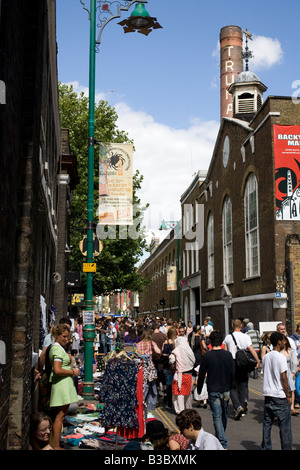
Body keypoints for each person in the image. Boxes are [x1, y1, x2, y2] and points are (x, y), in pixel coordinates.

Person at [197, 330, 235, 449]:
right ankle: (221, 436)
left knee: (217, 416)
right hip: (226, 389)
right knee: (223, 415)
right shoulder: (228, 355)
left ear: (211, 342)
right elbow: (233, 373)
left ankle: (222, 441)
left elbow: (202, 374)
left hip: (213, 389)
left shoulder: (207, 356)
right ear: (222, 342)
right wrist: (231, 386)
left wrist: (199, 389)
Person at [48, 324, 80, 450]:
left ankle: (56, 443)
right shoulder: (56, 349)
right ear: (57, 336)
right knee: (60, 416)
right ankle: (56, 446)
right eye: (64, 336)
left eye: (68, 337)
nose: (66, 339)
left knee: (60, 415)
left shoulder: (58, 348)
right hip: (61, 385)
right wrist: (73, 372)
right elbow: (57, 369)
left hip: (63, 384)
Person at [260, 331, 293, 450]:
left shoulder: (266, 357)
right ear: (279, 342)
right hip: (279, 395)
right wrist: (288, 394)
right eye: (283, 340)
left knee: (267, 423)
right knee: (284, 427)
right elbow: (283, 377)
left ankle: (266, 447)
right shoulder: (281, 357)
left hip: (268, 394)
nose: (285, 342)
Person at [223, 319, 260, 420]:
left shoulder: (228, 337)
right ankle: (243, 405)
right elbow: (251, 349)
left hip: (232, 363)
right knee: (243, 385)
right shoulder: (246, 336)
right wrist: (257, 360)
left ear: (232, 325)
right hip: (243, 364)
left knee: (232, 386)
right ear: (241, 326)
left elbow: (226, 352)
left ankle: (237, 406)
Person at [136, 329, 162, 418]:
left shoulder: (138, 345)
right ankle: (152, 404)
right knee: (153, 386)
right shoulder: (152, 343)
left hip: (142, 368)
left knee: (144, 385)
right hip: (150, 368)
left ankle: (141, 401)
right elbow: (158, 351)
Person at [169, 336, 195, 414]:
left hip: (180, 375)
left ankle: (181, 411)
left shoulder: (177, 350)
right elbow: (193, 360)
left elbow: (171, 359)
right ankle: (188, 408)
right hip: (189, 375)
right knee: (187, 393)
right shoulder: (189, 350)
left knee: (179, 394)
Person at [281, 335, 299, 415]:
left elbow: (295, 363)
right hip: (281, 373)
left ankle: (291, 407)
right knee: (283, 391)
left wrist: (292, 373)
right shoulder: (278, 351)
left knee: (291, 390)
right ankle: (284, 407)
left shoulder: (291, 351)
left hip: (290, 372)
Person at [161, 326, 177, 409]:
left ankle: (169, 402)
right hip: (175, 366)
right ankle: (176, 402)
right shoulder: (176, 343)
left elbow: (162, 353)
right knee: (176, 384)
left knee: (168, 385)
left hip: (167, 365)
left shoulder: (165, 342)